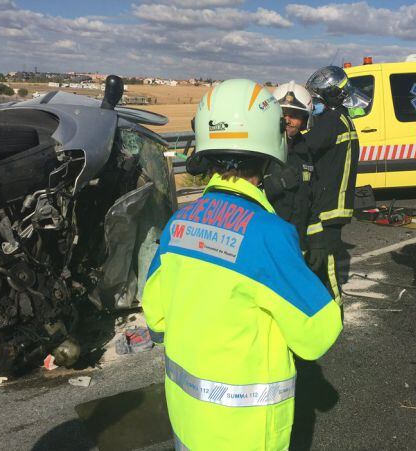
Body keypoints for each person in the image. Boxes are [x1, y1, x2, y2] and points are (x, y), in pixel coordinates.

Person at [142, 79, 343, 451]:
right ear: (270, 146)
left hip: (188, 423)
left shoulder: (179, 225)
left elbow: (155, 315)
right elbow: (319, 333)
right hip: (246, 432)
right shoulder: (268, 235)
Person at [292, 65, 364, 306]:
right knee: (321, 255)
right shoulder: (341, 118)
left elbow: (306, 147)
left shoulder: (331, 121)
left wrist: (288, 137)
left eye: (317, 99)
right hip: (335, 201)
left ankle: (334, 306)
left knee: (328, 259)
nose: (315, 104)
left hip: (330, 204)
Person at [263, 81, 315, 243]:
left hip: (297, 238)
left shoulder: (307, 151)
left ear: (305, 119)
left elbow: (313, 197)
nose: (288, 120)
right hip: (268, 236)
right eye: (283, 114)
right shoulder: (261, 150)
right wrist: (272, 186)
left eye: (294, 115)